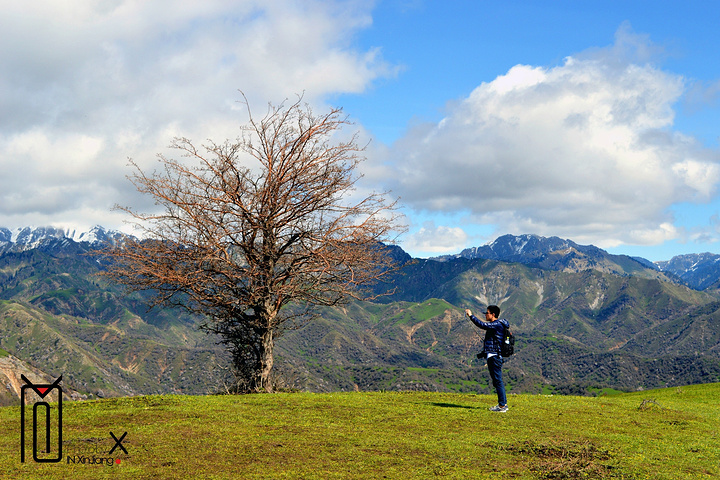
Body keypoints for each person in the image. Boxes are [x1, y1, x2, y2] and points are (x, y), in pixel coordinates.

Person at [465, 305, 509, 412]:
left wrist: (471, 316)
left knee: (498, 380)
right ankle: (502, 404)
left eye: (487, 313)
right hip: (493, 356)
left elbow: (482, 325)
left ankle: (502, 406)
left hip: (495, 357)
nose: (486, 314)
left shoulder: (497, 324)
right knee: (496, 381)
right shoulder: (495, 325)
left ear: (493, 314)